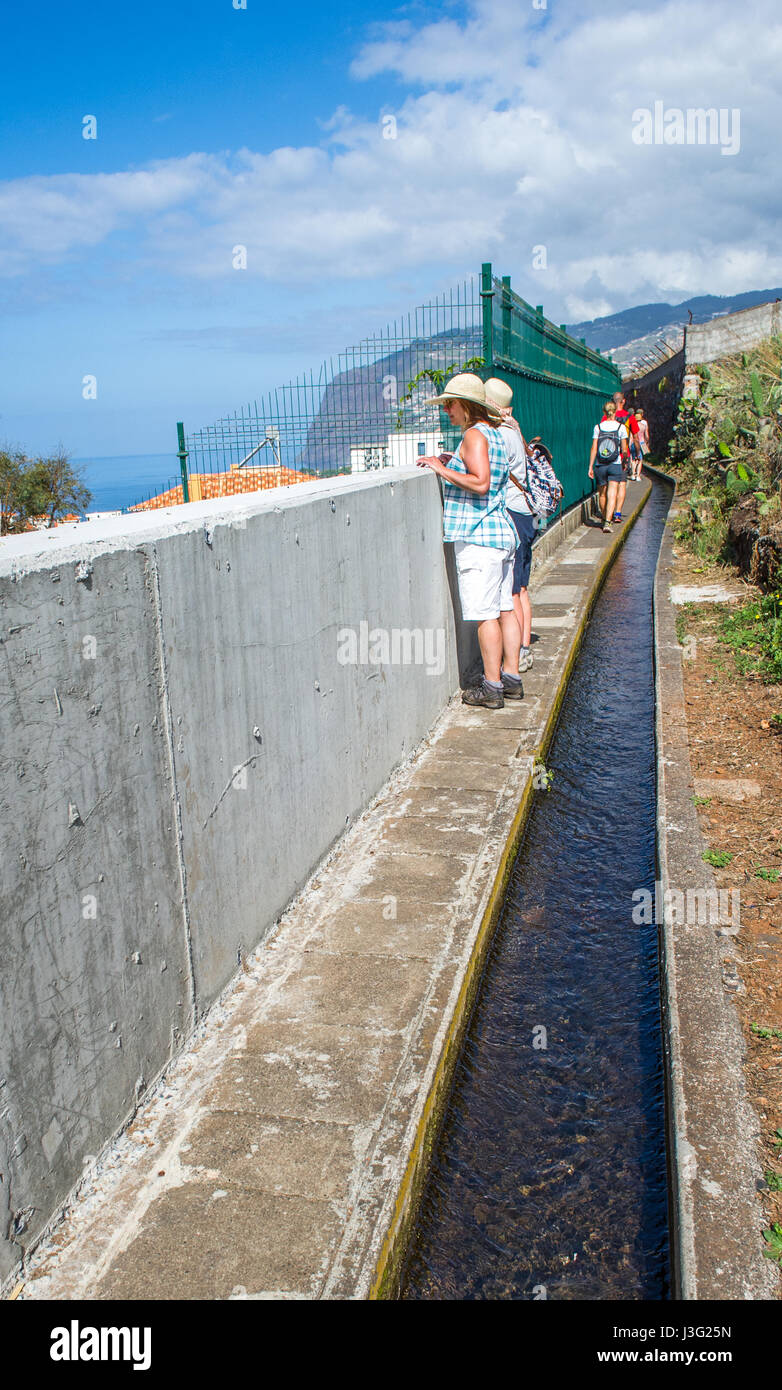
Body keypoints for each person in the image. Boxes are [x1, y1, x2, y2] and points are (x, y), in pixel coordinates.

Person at [417, 373, 522, 709]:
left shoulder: (474, 435)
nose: (447, 410)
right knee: (505, 608)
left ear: (465, 405)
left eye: (450, 404)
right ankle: (512, 678)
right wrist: (454, 462)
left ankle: (491, 687)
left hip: (480, 538)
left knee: (485, 615)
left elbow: (480, 482)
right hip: (501, 534)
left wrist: (440, 468)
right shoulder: (494, 434)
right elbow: (485, 475)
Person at [484, 377, 535, 674]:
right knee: (522, 589)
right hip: (526, 514)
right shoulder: (515, 428)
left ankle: (516, 655)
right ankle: (525, 645)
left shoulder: (501, 435)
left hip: (513, 515)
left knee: (512, 592)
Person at [589, 399, 628, 533]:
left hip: (600, 464)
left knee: (602, 494)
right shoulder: (620, 427)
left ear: (604, 412)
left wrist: (590, 466)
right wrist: (625, 462)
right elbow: (624, 449)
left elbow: (594, 448)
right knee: (612, 493)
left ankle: (605, 516)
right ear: (615, 411)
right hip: (615, 464)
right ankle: (607, 522)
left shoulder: (598, 427)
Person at [603, 391, 638, 520]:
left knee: (609, 485)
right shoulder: (630, 417)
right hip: (623, 455)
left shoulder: (605, 417)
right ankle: (617, 513)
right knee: (622, 484)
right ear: (623, 401)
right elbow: (635, 437)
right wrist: (637, 453)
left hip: (607, 456)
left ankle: (607, 513)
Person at [634, 407, 650, 478]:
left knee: (634, 458)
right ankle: (638, 475)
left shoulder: (633, 423)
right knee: (640, 459)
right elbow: (646, 435)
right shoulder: (644, 423)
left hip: (634, 442)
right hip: (642, 442)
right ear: (642, 414)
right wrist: (647, 442)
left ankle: (633, 473)